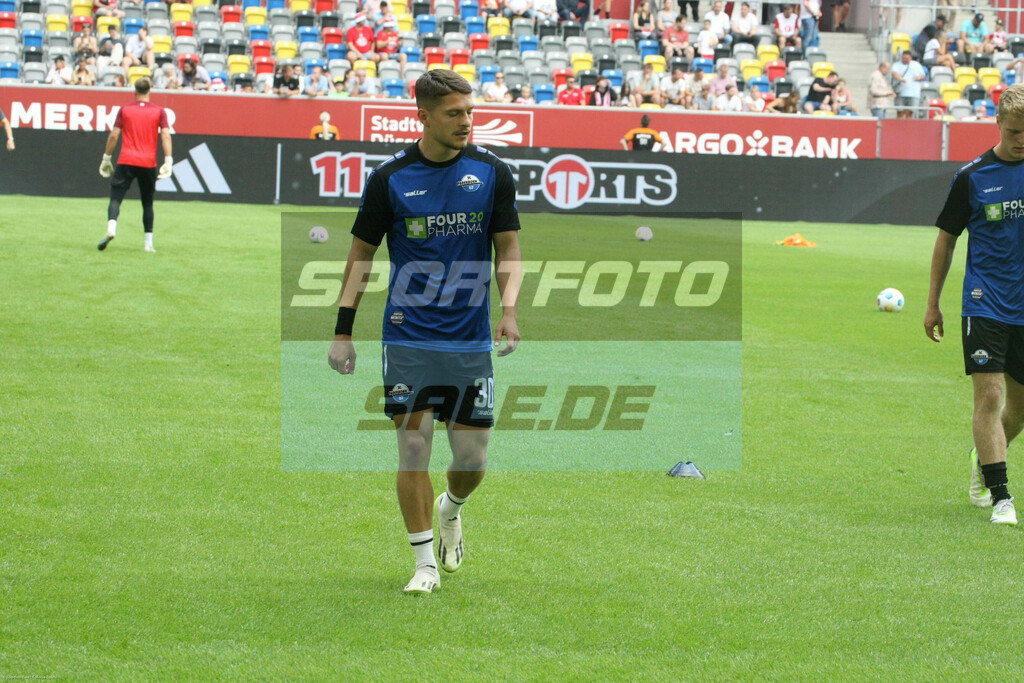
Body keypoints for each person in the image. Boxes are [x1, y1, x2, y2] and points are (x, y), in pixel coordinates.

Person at [327, 69, 522, 595]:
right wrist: (343, 331)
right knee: (413, 449)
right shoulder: (390, 178)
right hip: (408, 335)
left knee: (472, 459)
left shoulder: (491, 172)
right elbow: (360, 256)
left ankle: (451, 509)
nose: (466, 122)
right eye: (454, 113)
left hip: (469, 338)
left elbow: (508, 247)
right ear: (424, 116)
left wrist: (509, 309)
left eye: (469, 111)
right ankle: (423, 566)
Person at [925, 82, 1024, 526]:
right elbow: (945, 241)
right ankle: (1001, 495)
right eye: (1015, 132)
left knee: (1018, 410)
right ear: (998, 123)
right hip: (984, 301)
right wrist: (933, 304)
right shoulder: (971, 177)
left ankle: (983, 460)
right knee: (989, 395)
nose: (1022, 140)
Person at [96, 77, 172, 253]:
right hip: (148, 162)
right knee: (147, 203)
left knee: (116, 198)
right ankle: (148, 244)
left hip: (126, 160)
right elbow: (165, 135)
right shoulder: (159, 111)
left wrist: (106, 158)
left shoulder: (125, 110)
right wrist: (168, 160)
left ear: (135, 91)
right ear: (150, 90)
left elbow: (114, 135)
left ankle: (111, 229)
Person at [890, 50, 925, 119]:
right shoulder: (896, 65)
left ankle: (908, 128)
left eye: (906, 58)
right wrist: (900, 78)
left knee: (910, 113)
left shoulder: (916, 65)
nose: (904, 60)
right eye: (903, 58)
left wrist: (919, 78)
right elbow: (894, 73)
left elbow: (923, 75)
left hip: (914, 93)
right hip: (901, 93)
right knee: (900, 112)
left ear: (911, 58)